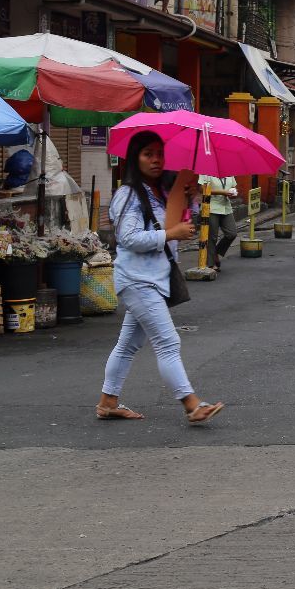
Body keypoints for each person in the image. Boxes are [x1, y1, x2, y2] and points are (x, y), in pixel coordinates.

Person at [96, 131, 224, 424]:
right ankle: (192, 404)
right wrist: (169, 234)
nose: (155, 160)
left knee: (128, 344)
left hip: (154, 280)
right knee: (168, 343)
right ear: (134, 158)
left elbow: (180, 227)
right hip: (137, 281)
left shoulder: (161, 192)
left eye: (159, 153)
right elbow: (127, 238)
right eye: (147, 154)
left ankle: (108, 402)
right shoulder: (128, 194)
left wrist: (191, 201)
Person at [198, 175, 238, 270]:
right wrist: (222, 192)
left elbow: (233, 186)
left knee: (232, 233)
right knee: (212, 236)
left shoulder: (229, 171)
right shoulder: (206, 170)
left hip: (226, 207)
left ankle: (216, 252)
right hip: (211, 207)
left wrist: (233, 192)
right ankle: (210, 264)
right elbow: (202, 189)